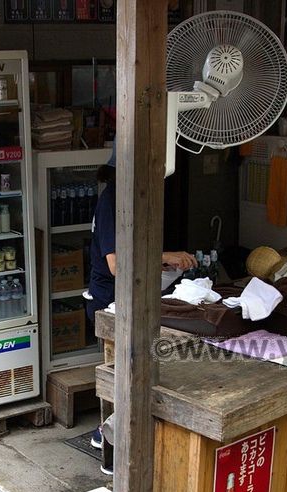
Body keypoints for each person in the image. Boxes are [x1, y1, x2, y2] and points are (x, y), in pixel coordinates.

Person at [87, 145, 196, 456]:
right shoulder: (111, 199)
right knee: (126, 369)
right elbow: (116, 264)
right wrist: (164, 256)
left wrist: (164, 264)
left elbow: (135, 252)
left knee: (137, 366)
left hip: (132, 293)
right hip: (112, 298)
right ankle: (107, 433)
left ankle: (126, 430)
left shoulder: (131, 199)